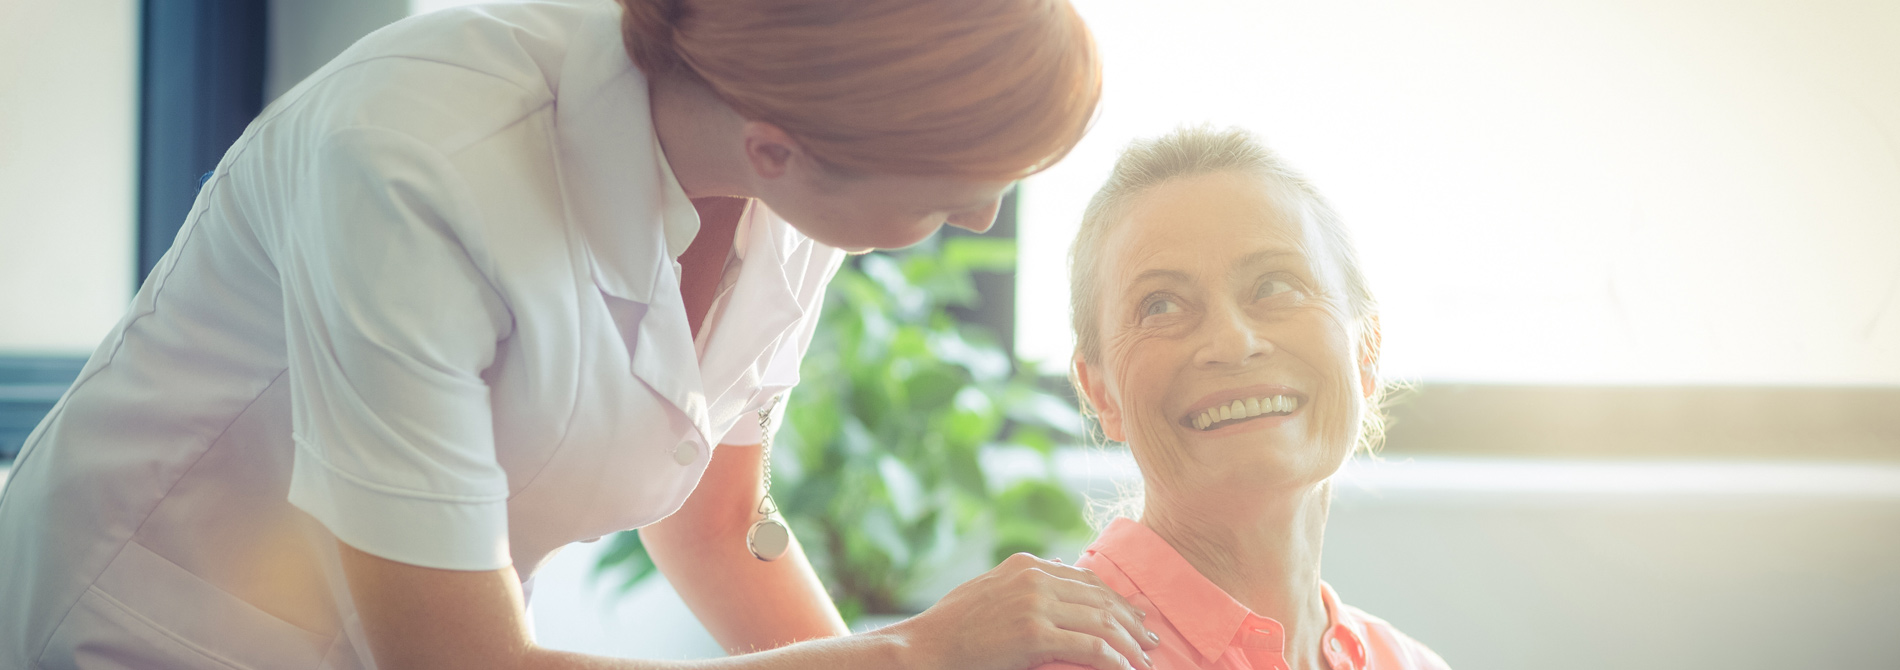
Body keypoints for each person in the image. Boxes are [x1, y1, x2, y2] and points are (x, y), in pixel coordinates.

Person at [0, 1, 1164, 669]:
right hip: (158, 627)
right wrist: (911, 657)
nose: (978, 219)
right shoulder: (417, 162)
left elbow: (715, 517)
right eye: (952, 187)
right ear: (775, 143)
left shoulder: (793, 186)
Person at [1047, 127, 1452, 670]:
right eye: (1161, 305)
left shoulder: (1410, 663)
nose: (1232, 343)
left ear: (1366, 350)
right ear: (1100, 392)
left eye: (1276, 286)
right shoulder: (1059, 659)